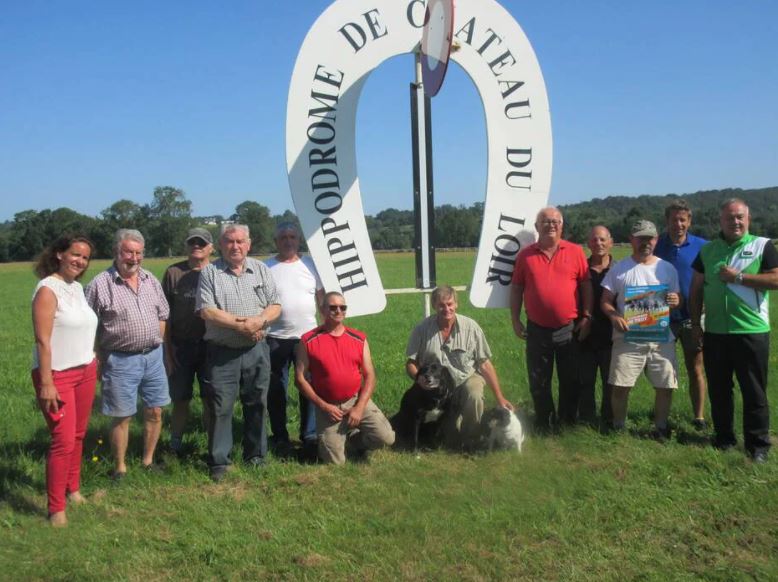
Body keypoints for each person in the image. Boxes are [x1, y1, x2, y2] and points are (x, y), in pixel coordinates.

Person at [689, 199, 778, 463]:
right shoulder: (708, 250)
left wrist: (739, 277)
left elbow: (775, 278)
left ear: (748, 219)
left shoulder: (762, 245)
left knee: (754, 391)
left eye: (740, 217)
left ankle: (758, 445)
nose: (735, 222)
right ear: (721, 221)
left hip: (751, 331)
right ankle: (724, 439)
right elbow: (695, 290)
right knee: (719, 389)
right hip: (716, 332)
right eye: (729, 218)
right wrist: (696, 324)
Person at [196, 224, 281, 482]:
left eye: (240, 241)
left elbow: (275, 305)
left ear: (249, 244)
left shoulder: (261, 270)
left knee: (257, 403)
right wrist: (243, 326)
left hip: (257, 350)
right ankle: (220, 461)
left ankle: (256, 456)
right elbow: (207, 311)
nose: (235, 246)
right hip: (222, 353)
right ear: (221, 245)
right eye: (229, 241)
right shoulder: (210, 272)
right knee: (221, 407)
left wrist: (260, 322)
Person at [86, 229, 170, 479]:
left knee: (155, 410)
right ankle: (120, 467)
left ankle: (147, 460)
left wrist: (158, 343)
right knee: (121, 415)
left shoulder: (150, 280)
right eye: (128, 252)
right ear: (116, 252)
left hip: (153, 357)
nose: (133, 258)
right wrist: (96, 356)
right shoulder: (100, 284)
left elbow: (163, 314)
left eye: (138, 253)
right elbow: (86, 323)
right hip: (120, 359)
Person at [31, 235, 99, 527]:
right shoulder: (48, 289)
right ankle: (56, 508)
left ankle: (73, 490)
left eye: (84, 258)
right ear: (59, 254)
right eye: (75, 254)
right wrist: (47, 383)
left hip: (85, 370)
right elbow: (43, 341)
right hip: (58, 375)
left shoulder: (77, 288)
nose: (80, 261)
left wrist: (91, 356)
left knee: (78, 436)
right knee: (62, 441)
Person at [511, 207, 593, 431]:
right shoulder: (525, 256)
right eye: (545, 221)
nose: (551, 225)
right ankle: (544, 420)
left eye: (555, 221)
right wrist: (515, 320)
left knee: (570, 379)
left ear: (562, 226)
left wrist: (587, 316)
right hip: (537, 329)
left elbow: (586, 285)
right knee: (539, 380)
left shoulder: (575, 252)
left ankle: (567, 421)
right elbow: (517, 288)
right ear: (537, 227)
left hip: (569, 328)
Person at [600, 220, 681, 439]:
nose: (646, 242)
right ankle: (618, 426)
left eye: (650, 238)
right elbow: (605, 300)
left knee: (665, 385)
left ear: (656, 239)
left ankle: (661, 427)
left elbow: (676, 298)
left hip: (660, 338)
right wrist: (614, 315)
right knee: (620, 385)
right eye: (641, 238)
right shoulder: (619, 269)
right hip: (628, 337)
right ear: (632, 239)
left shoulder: (667, 268)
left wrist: (674, 300)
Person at [406, 285, 513, 450]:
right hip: (436, 386)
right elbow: (411, 363)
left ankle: (472, 439)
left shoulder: (471, 328)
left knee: (474, 394)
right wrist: (419, 379)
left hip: (466, 378)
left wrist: (500, 397)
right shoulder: (421, 329)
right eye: (441, 305)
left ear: (456, 304)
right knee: (447, 439)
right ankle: (439, 433)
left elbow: (484, 364)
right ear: (434, 305)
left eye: (450, 304)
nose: (446, 309)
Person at [295, 291, 395, 464]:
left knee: (386, 438)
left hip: (355, 400)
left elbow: (370, 375)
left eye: (343, 307)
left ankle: (356, 441)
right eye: (333, 307)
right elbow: (300, 379)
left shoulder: (358, 338)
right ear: (323, 310)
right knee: (335, 462)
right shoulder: (308, 340)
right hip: (328, 406)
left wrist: (359, 407)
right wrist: (324, 406)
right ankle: (330, 441)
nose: (338, 311)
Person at [264, 222, 324, 458]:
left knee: (308, 387)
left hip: (307, 338)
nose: (288, 241)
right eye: (283, 237)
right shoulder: (266, 267)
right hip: (275, 338)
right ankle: (279, 436)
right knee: (276, 389)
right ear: (276, 241)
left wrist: (326, 329)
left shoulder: (311, 264)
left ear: (298, 240)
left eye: (292, 237)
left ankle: (309, 435)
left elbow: (321, 298)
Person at [654, 199, 708, 429]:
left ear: (689, 221)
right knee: (661, 369)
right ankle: (660, 413)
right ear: (667, 221)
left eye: (682, 219)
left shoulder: (703, 246)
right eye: (674, 219)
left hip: (691, 317)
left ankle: (699, 417)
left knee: (695, 367)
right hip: (661, 317)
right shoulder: (657, 245)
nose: (678, 224)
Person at [162, 227, 214, 456]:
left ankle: (212, 442)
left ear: (211, 248)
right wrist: (168, 351)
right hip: (181, 346)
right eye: (192, 242)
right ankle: (175, 443)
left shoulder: (217, 271)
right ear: (186, 246)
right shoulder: (173, 272)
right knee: (180, 398)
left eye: (201, 243)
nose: (197, 246)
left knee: (210, 397)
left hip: (211, 345)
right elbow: (164, 315)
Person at [578, 225, 614, 428]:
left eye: (602, 239)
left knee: (611, 380)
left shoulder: (620, 269)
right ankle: (586, 419)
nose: (598, 243)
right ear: (588, 244)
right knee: (585, 380)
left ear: (611, 242)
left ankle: (609, 419)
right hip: (585, 332)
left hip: (612, 334)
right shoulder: (580, 268)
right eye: (594, 240)